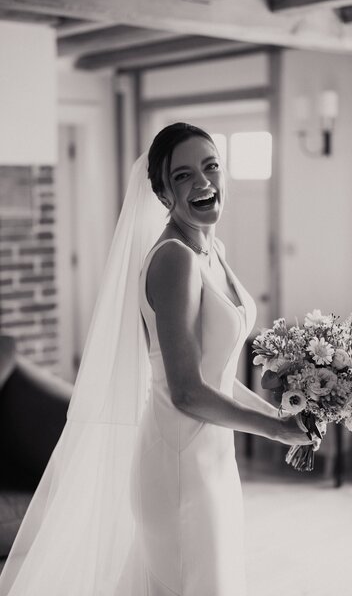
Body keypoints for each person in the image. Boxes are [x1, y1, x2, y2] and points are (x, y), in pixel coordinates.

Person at [0, 123, 312, 596]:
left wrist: (285, 416)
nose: (204, 182)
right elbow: (186, 390)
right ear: (163, 193)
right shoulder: (174, 259)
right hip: (179, 461)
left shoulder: (211, 250)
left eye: (211, 167)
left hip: (211, 457)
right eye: (184, 175)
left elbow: (218, 374)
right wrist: (273, 430)